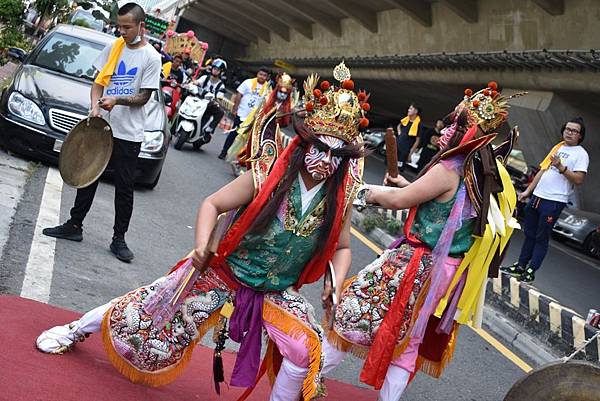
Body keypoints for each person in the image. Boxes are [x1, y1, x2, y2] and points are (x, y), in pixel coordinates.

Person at [36, 63, 368, 401]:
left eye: (337, 155)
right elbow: (213, 204)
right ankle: (75, 330)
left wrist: (336, 284)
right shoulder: (268, 177)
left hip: (274, 290)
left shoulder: (339, 200)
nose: (326, 161)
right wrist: (200, 248)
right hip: (225, 272)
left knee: (304, 348)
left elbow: (342, 249)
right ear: (304, 146)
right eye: (320, 150)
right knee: (149, 309)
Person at [321, 83, 522, 401]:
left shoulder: (448, 168)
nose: (446, 129)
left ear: (467, 132)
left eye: (456, 124)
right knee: (411, 337)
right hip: (447, 269)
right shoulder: (478, 169)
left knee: (354, 309)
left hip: (417, 263)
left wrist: (367, 193)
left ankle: (310, 379)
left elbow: (400, 201)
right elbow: (439, 202)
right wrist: (405, 185)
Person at [42, 3, 162, 263]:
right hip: (102, 126)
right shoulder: (114, 47)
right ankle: (74, 226)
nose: (122, 32)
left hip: (129, 133)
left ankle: (119, 239)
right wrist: (95, 106)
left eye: (127, 27)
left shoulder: (151, 57)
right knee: (87, 175)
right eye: (120, 26)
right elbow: (98, 83)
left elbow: (143, 97)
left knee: (124, 187)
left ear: (142, 26)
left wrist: (116, 100)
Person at [502, 117, 589, 282]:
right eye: (567, 129)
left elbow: (578, 179)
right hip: (537, 197)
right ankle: (520, 266)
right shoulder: (558, 147)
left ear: (580, 136)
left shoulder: (581, 154)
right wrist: (527, 192)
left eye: (574, 131)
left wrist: (561, 167)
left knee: (541, 237)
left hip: (554, 201)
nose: (569, 133)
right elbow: (542, 171)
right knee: (529, 234)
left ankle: (531, 270)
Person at [225, 73, 295, 175]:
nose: (283, 95)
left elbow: (285, 123)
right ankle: (240, 163)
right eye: (281, 92)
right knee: (255, 149)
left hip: (273, 133)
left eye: (285, 93)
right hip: (261, 129)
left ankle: (246, 167)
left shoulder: (287, 107)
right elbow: (259, 114)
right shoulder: (267, 100)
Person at [218, 66, 271, 159]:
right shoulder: (248, 82)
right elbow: (239, 95)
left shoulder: (268, 88)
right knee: (233, 133)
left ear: (267, 77)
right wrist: (235, 108)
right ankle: (224, 151)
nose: (262, 77)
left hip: (254, 118)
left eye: (264, 75)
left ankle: (238, 157)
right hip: (242, 113)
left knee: (247, 139)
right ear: (257, 74)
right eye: (260, 74)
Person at [193, 59, 227, 134]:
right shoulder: (205, 77)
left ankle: (210, 128)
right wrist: (194, 83)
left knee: (220, 112)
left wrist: (216, 99)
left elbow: (219, 98)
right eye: (214, 68)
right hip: (198, 100)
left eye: (218, 70)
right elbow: (197, 82)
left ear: (221, 72)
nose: (215, 71)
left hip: (209, 105)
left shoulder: (221, 85)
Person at [396, 103, 424, 171]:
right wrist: (399, 133)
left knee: (397, 169)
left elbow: (417, 141)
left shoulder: (419, 125)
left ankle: (391, 181)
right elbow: (399, 126)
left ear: (416, 111)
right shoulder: (406, 120)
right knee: (389, 165)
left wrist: (411, 152)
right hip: (396, 146)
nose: (408, 110)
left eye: (411, 109)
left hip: (404, 151)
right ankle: (384, 181)